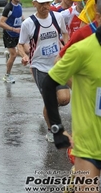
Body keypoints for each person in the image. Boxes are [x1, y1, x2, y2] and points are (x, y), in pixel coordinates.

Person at [42, 24, 101, 192]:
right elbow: (50, 79)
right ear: (98, 17)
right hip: (89, 143)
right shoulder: (82, 48)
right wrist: (57, 128)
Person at [17, 0, 70, 143]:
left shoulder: (57, 17)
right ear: (34, 4)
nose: (46, 6)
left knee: (64, 99)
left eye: (47, 2)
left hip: (56, 64)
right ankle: (51, 129)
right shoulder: (29, 23)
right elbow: (20, 45)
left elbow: (65, 34)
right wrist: (24, 55)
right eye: (42, 4)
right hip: (39, 67)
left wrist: (66, 48)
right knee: (51, 100)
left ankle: (50, 110)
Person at [0, 0, 23, 83]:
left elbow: (20, 16)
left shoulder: (19, 5)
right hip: (9, 34)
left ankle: (8, 55)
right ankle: (7, 75)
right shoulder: (9, 7)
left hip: (18, 33)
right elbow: (0, 23)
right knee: (14, 55)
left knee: (26, 50)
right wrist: (13, 29)